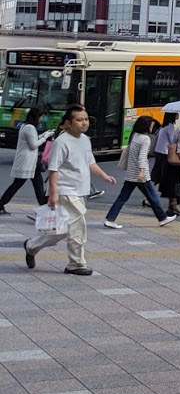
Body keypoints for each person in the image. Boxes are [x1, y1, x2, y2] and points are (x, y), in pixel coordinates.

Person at [23, 105, 117, 275]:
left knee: (61, 230)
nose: (84, 123)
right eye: (79, 120)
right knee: (78, 227)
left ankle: (31, 246)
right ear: (68, 123)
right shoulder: (61, 142)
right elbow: (53, 169)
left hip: (80, 190)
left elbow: (90, 162)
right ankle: (76, 264)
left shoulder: (85, 140)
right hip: (65, 191)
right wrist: (53, 193)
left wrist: (104, 176)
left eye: (86, 119)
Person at [103, 117, 175, 229]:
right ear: (146, 126)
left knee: (122, 198)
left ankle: (110, 219)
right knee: (152, 196)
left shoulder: (135, 135)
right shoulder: (145, 139)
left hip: (131, 173)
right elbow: (142, 157)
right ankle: (162, 218)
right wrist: (142, 171)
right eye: (151, 125)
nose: (152, 127)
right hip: (140, 175)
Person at [0, 107, 48, 213]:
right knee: (19, 184)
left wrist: (44, 134)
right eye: (42, 116)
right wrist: (45, 138)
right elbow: (33, 144)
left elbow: (33, 139)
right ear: (37, 116)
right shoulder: (30, 128)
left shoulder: (24, 126)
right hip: (28, 162)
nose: (42, 119)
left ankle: (44, 206)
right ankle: (1, 203)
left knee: (36, 185)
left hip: (31, 162)